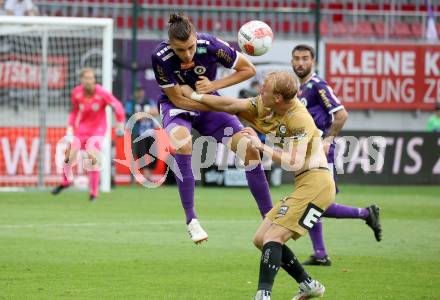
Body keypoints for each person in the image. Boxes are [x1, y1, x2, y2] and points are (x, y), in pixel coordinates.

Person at [182, 71, 333, 300]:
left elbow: (295, 161)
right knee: (261, 239)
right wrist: (195, 96)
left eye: (266, 89)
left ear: (279, 98)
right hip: (305, 184)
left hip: (318, 185)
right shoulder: (266, 104)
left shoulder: (299, 117)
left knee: (273, 239)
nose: (260, 90)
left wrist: (260, 146)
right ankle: (308, 284)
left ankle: (263, 295)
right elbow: (229, 104)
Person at [151, 12, 273, 244]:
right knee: (182, 142)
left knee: (249, 150)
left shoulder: (212, 45)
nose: (186, 54)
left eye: (190, 47)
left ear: (196, 37)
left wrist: (213, 86)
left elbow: (248, 70)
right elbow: (178, 99)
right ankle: (191, 220)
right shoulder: (160, 57)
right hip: (178, 105)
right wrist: (210, 102)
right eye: (180, 50)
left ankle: (269, 219)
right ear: (170, 45)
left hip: (208, 99)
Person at [291, 44, 382, 266]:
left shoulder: (317, 85)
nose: (300, 63)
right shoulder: (300, 88)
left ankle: (365, 213)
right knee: (313, 204)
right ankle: (321, 254)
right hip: (307, 153)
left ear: (314, 62)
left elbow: (341, 115)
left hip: (321, 153)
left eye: (305, 58)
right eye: (296, 58)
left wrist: (327, 140)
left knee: (318, 203)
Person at [51, 68, 125, 201]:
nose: (89, 81)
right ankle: (66, 182)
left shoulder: (102, 93)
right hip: (82, 129)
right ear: (82, 80)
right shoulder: (76, 93)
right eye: (86, 78)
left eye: (91, 78)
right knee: (69, 156)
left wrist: (120, 123)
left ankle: (93, 193)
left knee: (92, 157)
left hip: (98, 130)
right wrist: (70, 127)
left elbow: (118, 106)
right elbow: (74, 111)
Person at [125, 85, 159, 175]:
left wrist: (143, 114)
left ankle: (149, 174)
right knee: (142, 154)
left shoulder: (148, 101)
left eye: (141, 91)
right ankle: (146, 175)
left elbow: (156, 111)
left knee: (154, 154)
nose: (139, 93)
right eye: (137, 91)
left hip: (151, 132)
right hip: (138, 133)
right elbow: (134, 117)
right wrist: (147, 114)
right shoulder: (130, 103)